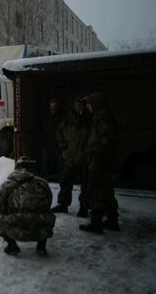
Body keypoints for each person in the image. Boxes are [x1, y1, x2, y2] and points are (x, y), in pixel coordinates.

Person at [0, 157, 56, 256]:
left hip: (16, 231)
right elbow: (48, 205)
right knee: (46, 214)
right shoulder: (43, 184)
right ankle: (41, 246)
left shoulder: (7, 185)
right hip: (41, 231)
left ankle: (12, 245)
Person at [79, 92, 120, 233]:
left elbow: (105, 143)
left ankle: (96, 222)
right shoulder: (99, 118)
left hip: (100, 161)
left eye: (89, 104)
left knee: (96, 192)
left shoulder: (103, 120)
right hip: (101, 161)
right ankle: (112, 220)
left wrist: (93, 155)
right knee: (107, 192)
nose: (88, 107)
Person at [52, 95, 91, 217]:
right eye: (76, 103)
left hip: (84, 156)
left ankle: (84, 207)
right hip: (70, 155)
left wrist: (86, 151)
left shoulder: (89, 119)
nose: (78, 106)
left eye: (80, 104)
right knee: (65, 181)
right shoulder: (69, 118)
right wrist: (64, 147)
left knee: (86, 184)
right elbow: (59, 132)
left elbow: (93, 137)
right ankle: (63, 204)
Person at [40, 97, 65, 180]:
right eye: (52, 102)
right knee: (46, 162)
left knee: (60, 162)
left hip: (58, 142)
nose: (53, 104)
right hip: (47, 142)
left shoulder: (61, 115)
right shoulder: (45, 115)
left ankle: (61, 177)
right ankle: (45, 177)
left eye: (55, 102)